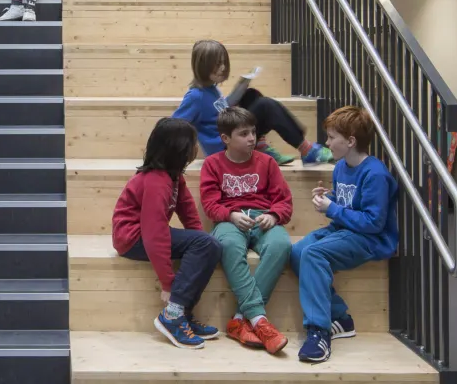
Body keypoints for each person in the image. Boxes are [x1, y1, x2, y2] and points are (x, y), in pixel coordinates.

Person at [292, 105, 400, 364]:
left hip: (370, 239)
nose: (326, 142)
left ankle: (319, 331)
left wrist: (334, 209)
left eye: (331, 137)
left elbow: (374, 222)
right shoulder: (341, 167)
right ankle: (340, 316)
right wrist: (328, 198)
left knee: (314, 253)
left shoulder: (375, 173)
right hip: (344, 230)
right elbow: (348, 204)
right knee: (296, 250)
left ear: (350, 141)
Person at [112, 118, 221, 349]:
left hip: (146, 234)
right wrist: (168, 283)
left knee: (209, 245)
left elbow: (188, 212)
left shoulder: (173, 177)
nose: (196, 148)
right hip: (133, 239)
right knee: (205, 244)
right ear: (179, 148)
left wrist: (202, 245)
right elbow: (154, 234)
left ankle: (182, 313)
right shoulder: (156, 181)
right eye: (193, 144)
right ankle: (172, 314)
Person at [198, 107, 293, 354]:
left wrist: (274, 215)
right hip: (229, 220)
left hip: (263, 219)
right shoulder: (212, 164)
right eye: (243, 133)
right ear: (225, 138)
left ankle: (241, 318)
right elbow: (210, 204)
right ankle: (260, 320)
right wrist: (230, 215)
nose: (252, 138)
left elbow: (284, 200)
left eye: (253, 132)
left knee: (281, 244)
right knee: (228, 246)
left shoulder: (268, 162)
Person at [173, 39, 331, 167]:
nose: (222, 68)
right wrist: (184, 152)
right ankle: (306, 149)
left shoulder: (211, 90)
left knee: (250, 95)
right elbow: (175, 124)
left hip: (232, 134)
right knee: (265, 105)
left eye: (223, 63)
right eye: (216, 64)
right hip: (225, 146)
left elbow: (221, 110)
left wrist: (240, 87)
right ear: (202, 66)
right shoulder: (195, 96)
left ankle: (261, 147)